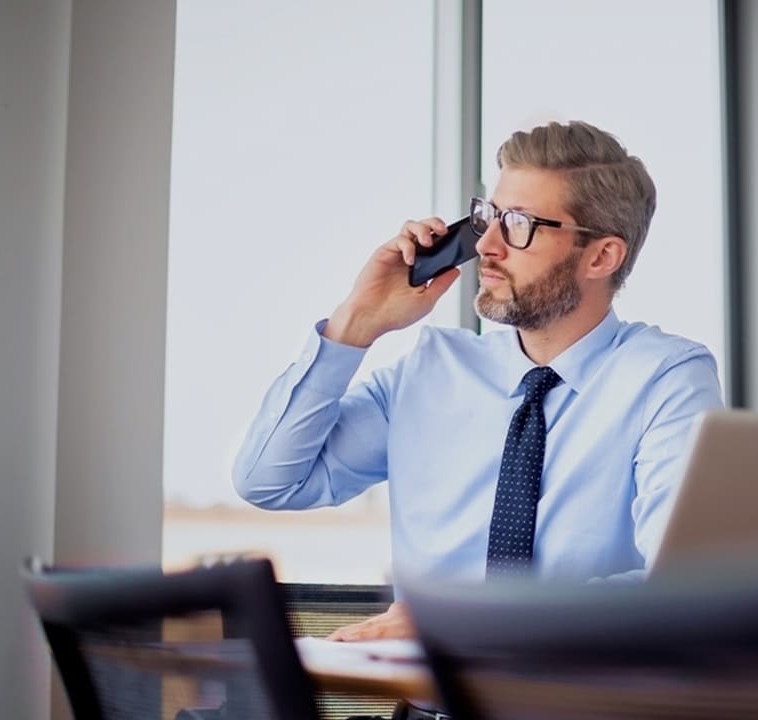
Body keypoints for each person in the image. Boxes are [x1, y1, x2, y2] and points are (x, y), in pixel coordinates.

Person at [233, 120, 723, 641]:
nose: (486, 244)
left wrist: (470, 621)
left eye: (518, 223)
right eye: (487, 216)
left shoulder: (665, 378)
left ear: (601, 255)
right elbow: (270, 480)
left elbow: (680, 582)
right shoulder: (432, 371)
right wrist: (353, 325)